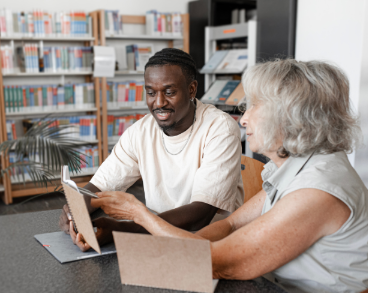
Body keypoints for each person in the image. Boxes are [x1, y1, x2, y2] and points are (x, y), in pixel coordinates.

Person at [78, 59, 368, 293]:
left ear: (292, 116)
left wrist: (139, 215)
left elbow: (218, 262)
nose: (244, 118)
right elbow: (231, 225)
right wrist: (172, 249)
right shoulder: (295, 168)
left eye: (254, 106)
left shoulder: (317, 192)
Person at [60, 48, 244, 247]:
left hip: (210, 244)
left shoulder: (220, 129)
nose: (159, 103)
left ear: (192, 89)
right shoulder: (139, 132)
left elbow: (201, 215)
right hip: (155, 240)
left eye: (169, 92)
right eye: (150, 93)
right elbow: (98, 189)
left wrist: (125, 231)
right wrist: (75, 212)